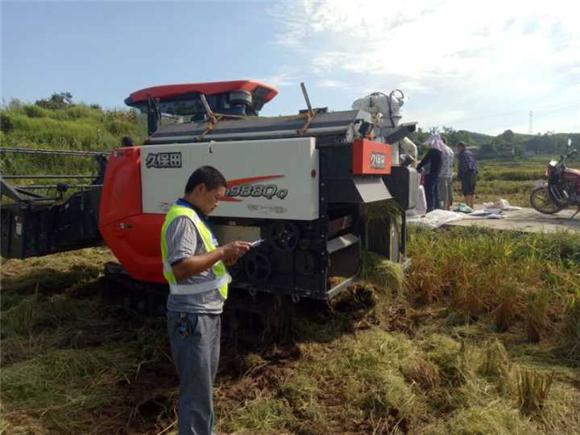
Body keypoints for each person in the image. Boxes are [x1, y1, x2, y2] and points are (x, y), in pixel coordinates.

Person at [161, 166, 251, 435]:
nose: (217, 203)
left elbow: (201, 262)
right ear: (200, 189)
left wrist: (224, 257)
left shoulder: (195, 218)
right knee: (196, 392)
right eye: (216, 196)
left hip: (206, 312)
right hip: (192, 315)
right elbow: (181, 267)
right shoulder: (183, 220)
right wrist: (223, 250)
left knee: (203, 388)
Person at [417, 134, 443, 212]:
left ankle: (430, 207)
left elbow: (425, 160)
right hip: (437, 173)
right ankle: (437, 207)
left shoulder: (432, 151)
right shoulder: (439, 151)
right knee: (435, 191)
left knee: (429, 191)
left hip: (431, 173)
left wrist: (418, 167)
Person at [456, 141, 478, 208]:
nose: (457, 149)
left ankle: (467, 206)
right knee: (472, 190)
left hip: (466, 173)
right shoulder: (471, 153)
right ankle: (471, 205)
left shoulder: (462, 154)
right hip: (473, 173)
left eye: (458, 147)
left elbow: (462, 166)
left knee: (466, 190)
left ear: (461, 147)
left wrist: (459, 175)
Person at [438, 137, 455, 210]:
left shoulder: (441, 149)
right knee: (448, 191)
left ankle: (444, 208)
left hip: (442, 174)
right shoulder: (450, 150)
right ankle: (448, 207)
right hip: (449, 174)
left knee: (443, 192)